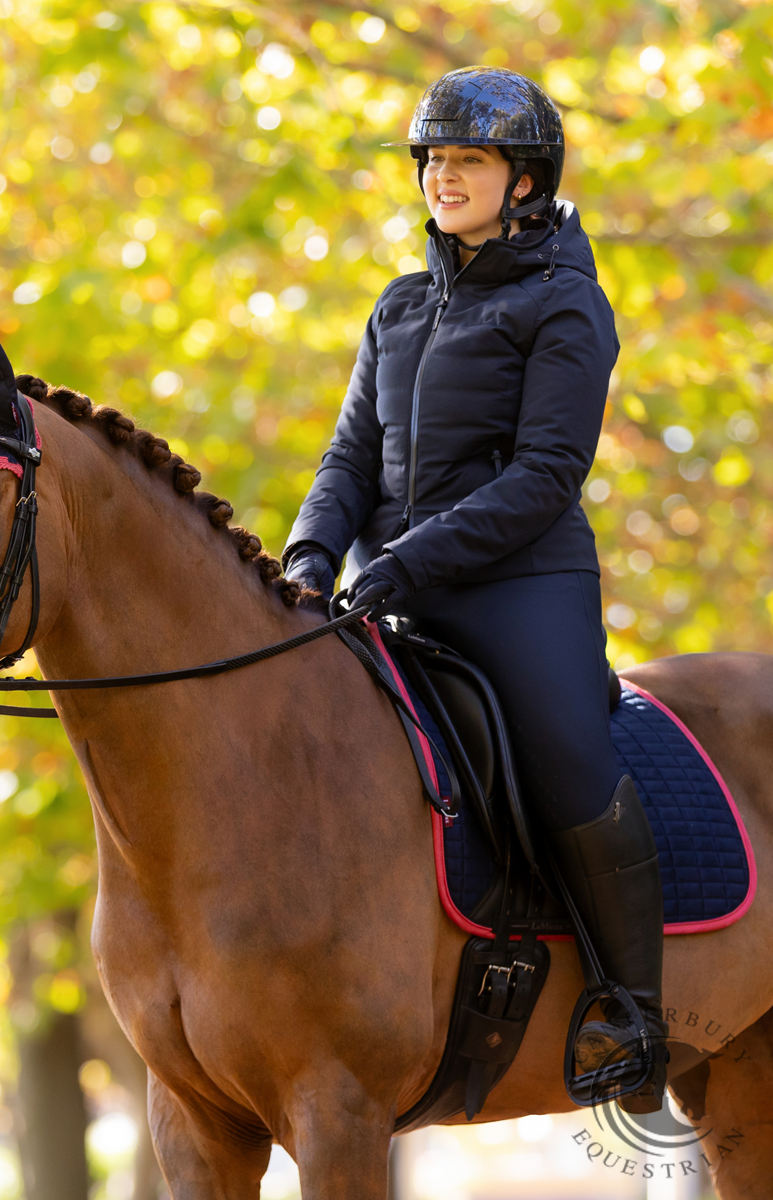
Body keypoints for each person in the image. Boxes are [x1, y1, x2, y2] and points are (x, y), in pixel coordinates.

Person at [282, 67, 667, 1112]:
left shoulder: (566, 303)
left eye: (468, 161)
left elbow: (545, 474)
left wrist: (402, 562)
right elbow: (347, 458)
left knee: (564, 756)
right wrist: (311, 556)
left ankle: (631, 1013)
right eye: (433, 161)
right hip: (386, 587)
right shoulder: (397, 307)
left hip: (518, 583)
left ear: (524, 180)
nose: (443, 178)